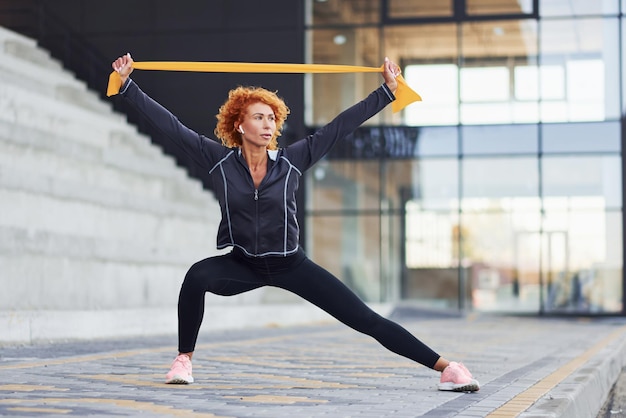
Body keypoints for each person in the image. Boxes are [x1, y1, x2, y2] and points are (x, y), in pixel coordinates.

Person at [110, 53, 480, 392]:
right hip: (244, 265)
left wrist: (386, 92)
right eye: (259, 117)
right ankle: (183, 360)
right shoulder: (217, 160)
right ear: (239, 125)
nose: (268, 124)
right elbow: (171, 127)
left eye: (272, 118)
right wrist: (128, 86)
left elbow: (338, 127)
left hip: (291, 265)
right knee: (197, 276)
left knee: (365, 319)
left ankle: (448, 368)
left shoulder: (292, 160)